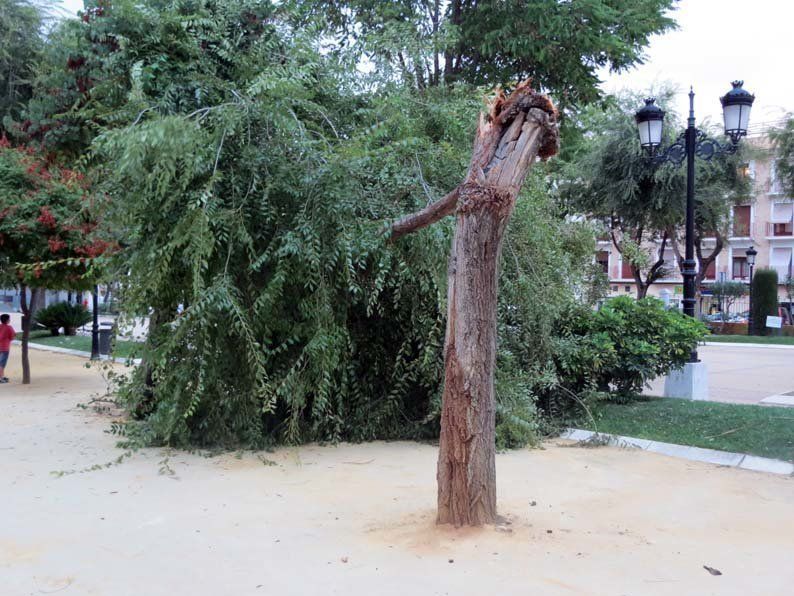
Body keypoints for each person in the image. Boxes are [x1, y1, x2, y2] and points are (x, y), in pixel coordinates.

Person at [0, 314, 15, 383]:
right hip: (4, 348)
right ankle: (1, 378)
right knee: (2, 364)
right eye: (9, 319)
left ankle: (2, 376)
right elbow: (12, 336)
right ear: (7, 320)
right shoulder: (9, 328)